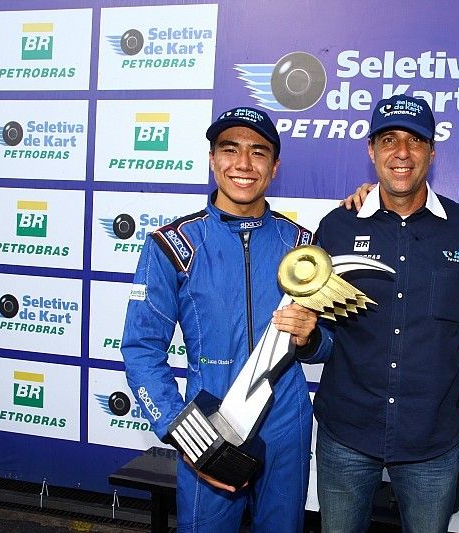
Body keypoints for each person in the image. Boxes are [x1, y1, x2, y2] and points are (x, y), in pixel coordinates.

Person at [121, 106, 332, 533]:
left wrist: (311, 339)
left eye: (258, 152)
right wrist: (187, 433)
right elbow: (141, 350)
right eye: (229, 149)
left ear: (274, 167)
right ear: (213, 159)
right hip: (211, 419)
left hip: (286, 423)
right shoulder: (173, 244)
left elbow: (330, 342)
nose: (243, 163)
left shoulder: (302, 245)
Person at [299, 95, 459, 533]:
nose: (401, 152)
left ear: (432, 150)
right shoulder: (337, 226)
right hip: (347, 432)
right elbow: (320, 336)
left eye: (414, 140)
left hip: (431, 440)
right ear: (371, 150)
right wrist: (305, 340)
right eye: (388, 140)